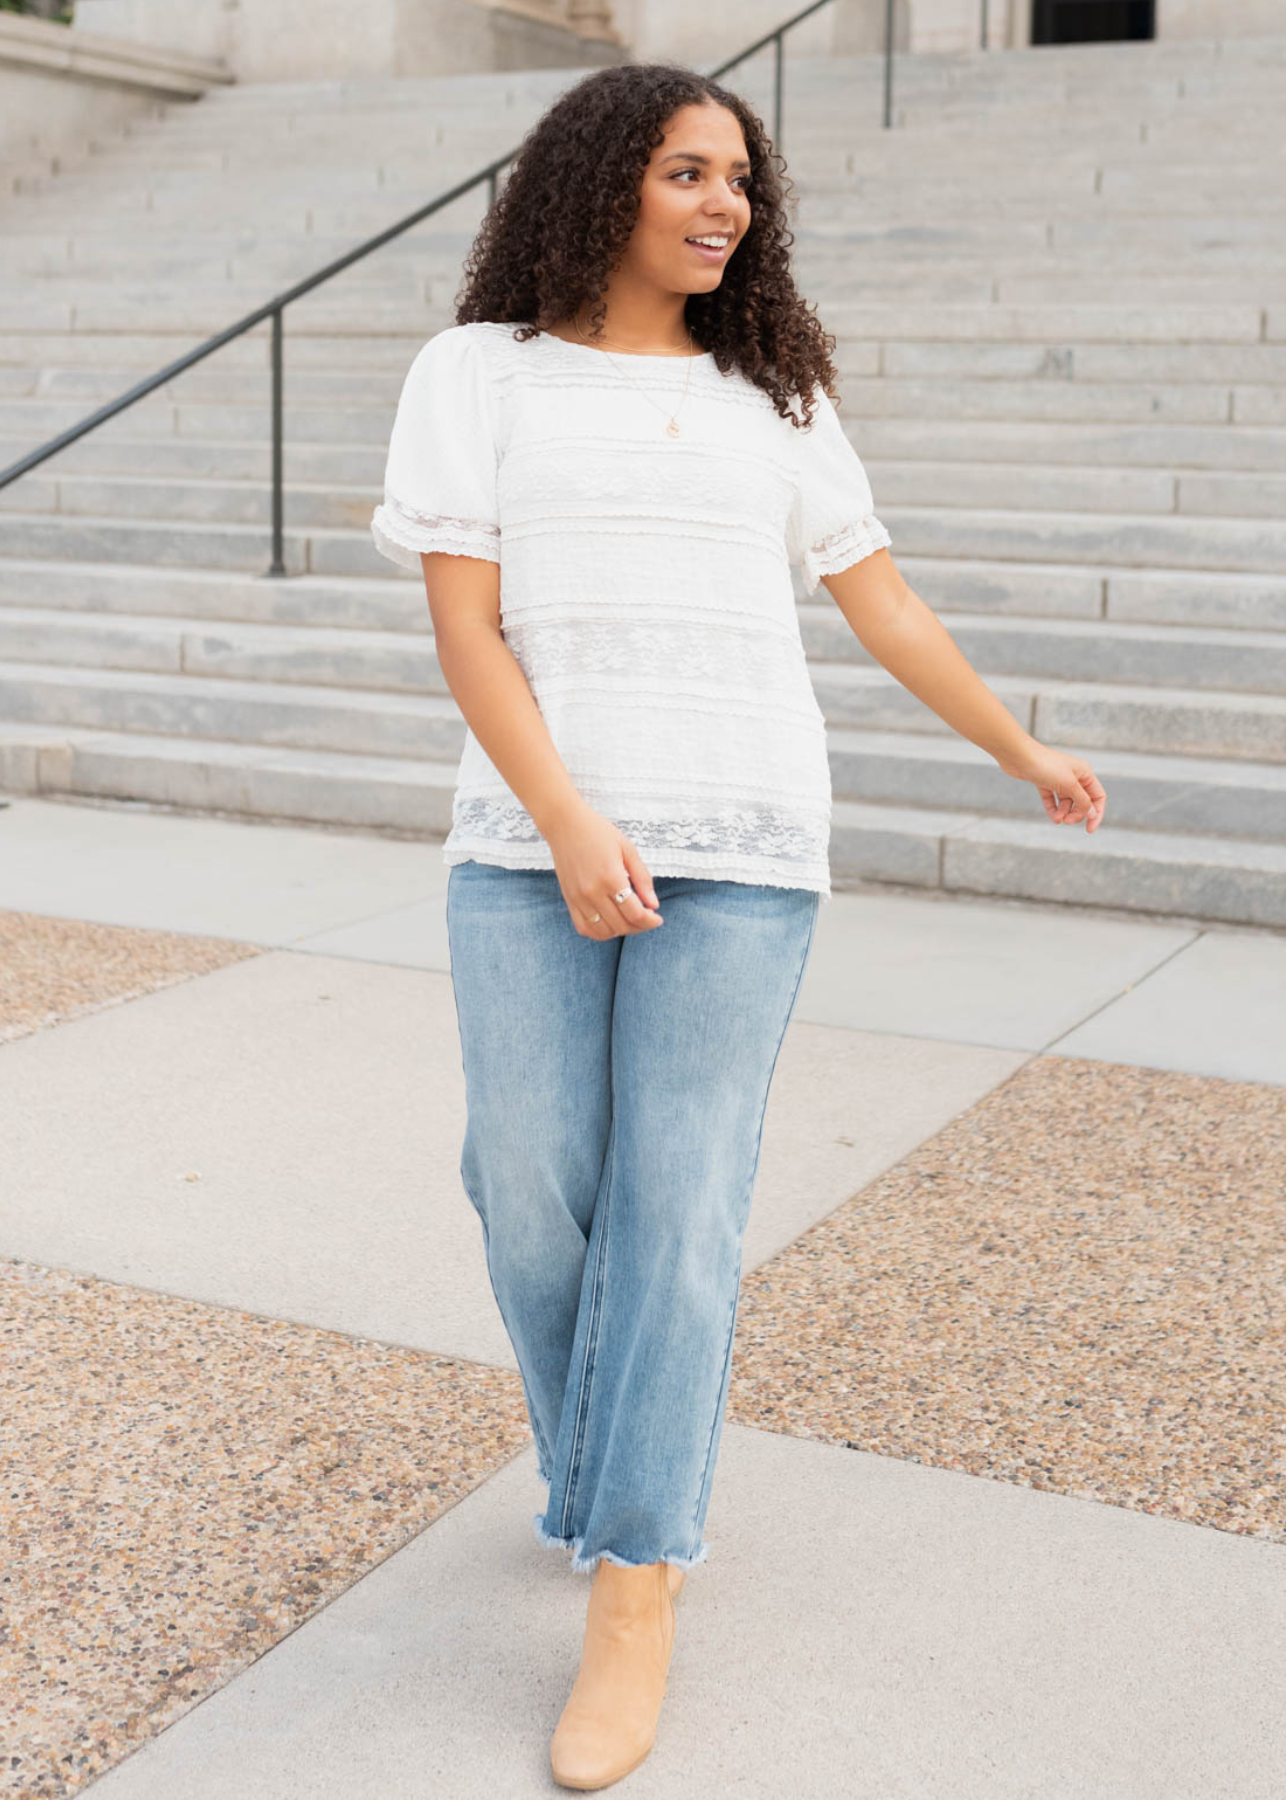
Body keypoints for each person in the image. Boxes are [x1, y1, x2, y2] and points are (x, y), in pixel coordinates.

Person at [370, 59, 1107, 1792]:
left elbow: (880, 594)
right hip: (529, 835)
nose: (728, 205)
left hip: (746, 838)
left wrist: (1016, 743)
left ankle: (635, 1574)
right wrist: (564, 820)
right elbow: (469, 633)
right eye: (690, 171)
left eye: (743, 181)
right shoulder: (475, 375)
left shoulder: (771, 393)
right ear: (596, 181)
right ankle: (604, 1466)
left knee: (680, 1205)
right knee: (526, 1179)